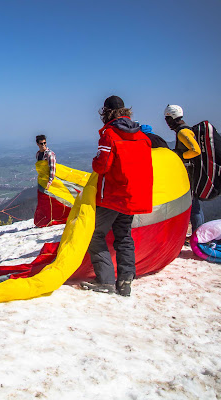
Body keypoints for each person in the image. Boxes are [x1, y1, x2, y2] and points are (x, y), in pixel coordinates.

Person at [81, 96, 153, 296]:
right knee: (123, 236)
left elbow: (102, 165)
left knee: (95, 234)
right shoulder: (142, 136)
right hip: (132, 195)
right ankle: (125, 281)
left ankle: (106, 281)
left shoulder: (110, 135)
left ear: (106, 113)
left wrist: (94, 161)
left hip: (112, 195)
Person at [164, 104, 203, 232]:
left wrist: (180, 155)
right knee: (194, 204)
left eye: (167, 119)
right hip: (192, 169)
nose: (167, 123)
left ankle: (198, 234)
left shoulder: (182, 132)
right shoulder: (184, 130)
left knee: (193, 205)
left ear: (172, 118)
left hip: (189, 171)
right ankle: (198, 233)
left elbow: (195, 150)